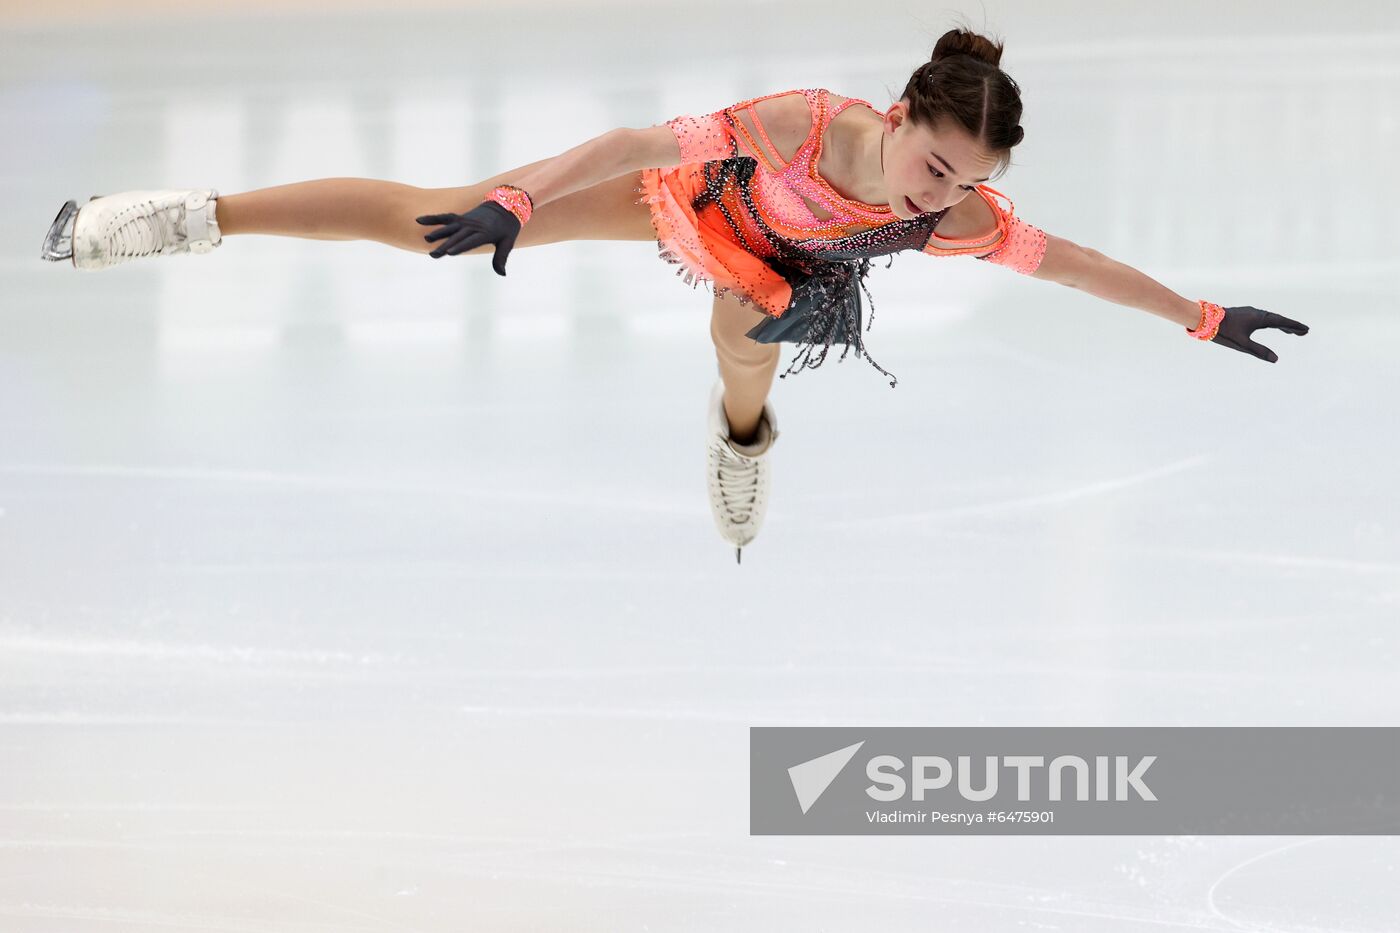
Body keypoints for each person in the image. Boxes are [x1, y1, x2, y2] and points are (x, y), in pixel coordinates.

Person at [39, 25, 1309, 564]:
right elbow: (635, 147)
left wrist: (1195, 313)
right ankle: (195, 217)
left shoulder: (951, 216)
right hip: (698, 204)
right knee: (429, 215)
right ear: (902, 113)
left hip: (789, 276)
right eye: (931, 165)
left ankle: (739, 442)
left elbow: (1074, 265)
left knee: (745, 347)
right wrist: (519, 204)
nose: (935, 197)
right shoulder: (796, 123)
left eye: (963, 184)